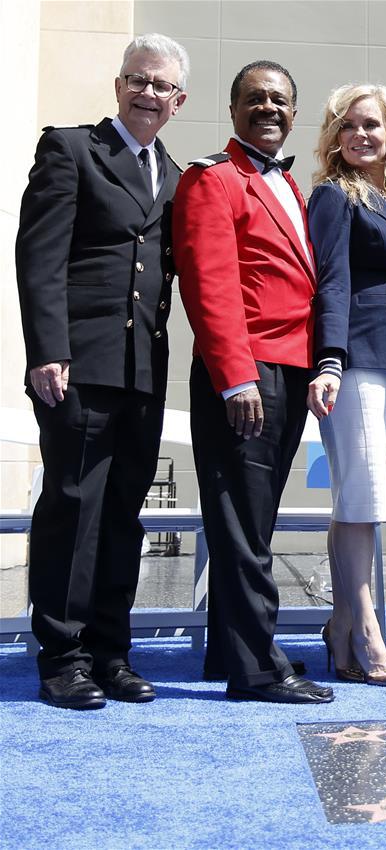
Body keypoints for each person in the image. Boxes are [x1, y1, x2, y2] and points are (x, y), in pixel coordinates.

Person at [15, 34, 188, 710]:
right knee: (73, 509)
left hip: (142, 370)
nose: (147, 93)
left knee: (123, 514)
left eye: (160, 86)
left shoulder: (175, 177)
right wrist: (45, 350)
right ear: (119, 86)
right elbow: (40, 257)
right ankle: (62, 656)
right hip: (77, 363)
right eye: (137, 80)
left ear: (178, 101)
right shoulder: (71, 148)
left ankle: (111, 652)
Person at [173, 60, 333, 704]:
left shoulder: (290, 187)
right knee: (241, 519)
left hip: (288, 370)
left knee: (252, 519)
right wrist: (235, 376)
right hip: (246, 372)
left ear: (295, 113)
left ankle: (228, 649)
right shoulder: (213, 179)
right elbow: (209, 285)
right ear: (234, 108)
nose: (269, 109)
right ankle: (258, 668)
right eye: (255, 99)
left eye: (281, 101)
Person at [305, 84, 386, 687]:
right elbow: (332, 282)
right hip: (356, 363)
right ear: (333, 136)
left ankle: (341, 625)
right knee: (365, 496)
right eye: (348, 126)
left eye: (371, 125)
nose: (360, 135)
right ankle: (370, 633)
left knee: (363, 499)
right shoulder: (332, 196)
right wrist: (329, 360)